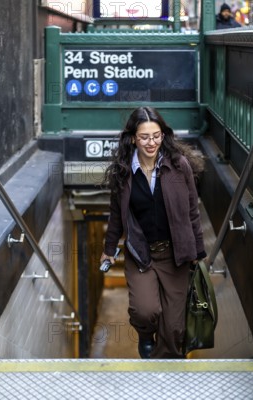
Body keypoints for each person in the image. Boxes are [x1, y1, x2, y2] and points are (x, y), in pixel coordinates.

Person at [100, 107, 207, 359]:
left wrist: (198, 252)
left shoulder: (179, 167)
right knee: (145, 311)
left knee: (174, 328)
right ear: (133, 138)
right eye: (145, 137)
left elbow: (192, 210)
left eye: (156, 136)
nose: (151, 142)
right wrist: (108, 251)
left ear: (164, 135)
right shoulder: (123, 171)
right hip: (142, 254)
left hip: (175, 254)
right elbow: (116, 215)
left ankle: (164, 375)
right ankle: (146, 335)